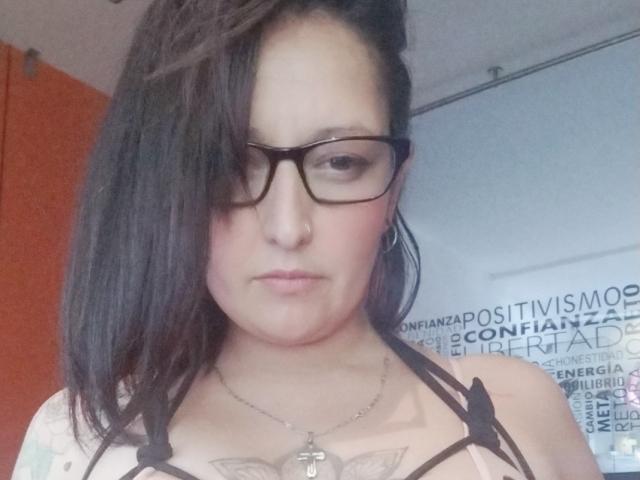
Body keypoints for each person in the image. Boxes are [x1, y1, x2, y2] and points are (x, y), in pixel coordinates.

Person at [12, 1, 603, 479]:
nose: (288, 227)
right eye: (228, 165)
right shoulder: (72, 437)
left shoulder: (519, 409)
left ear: (393, 186)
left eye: (341, 162)